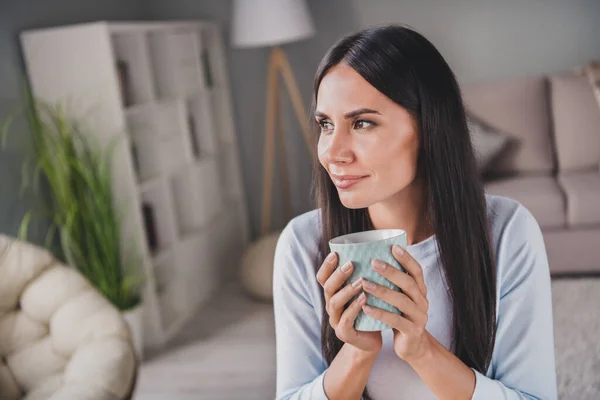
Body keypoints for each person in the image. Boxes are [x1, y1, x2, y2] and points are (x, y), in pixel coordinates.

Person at [272, 24, 557, 400]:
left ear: (427, 128)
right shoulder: (302, 244)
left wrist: (421, 349)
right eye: (326, 124)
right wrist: (357, 353)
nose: (333, 152)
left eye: (362, 123)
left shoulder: (506, 232)